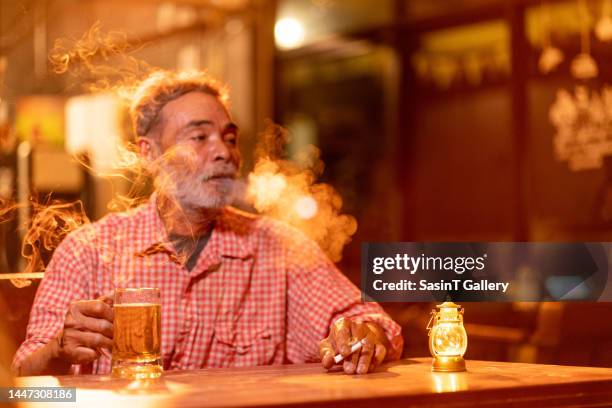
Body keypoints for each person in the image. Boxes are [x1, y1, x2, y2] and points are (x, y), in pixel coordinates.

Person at [12, 70, 403, 376]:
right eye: (199, 137)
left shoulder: (278, 247)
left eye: (230, 138)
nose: (224, 153)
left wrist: (362, 335)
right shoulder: (88, 251)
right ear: (150, 154)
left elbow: (366, 321)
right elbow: (19, 389)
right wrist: (56, 351)